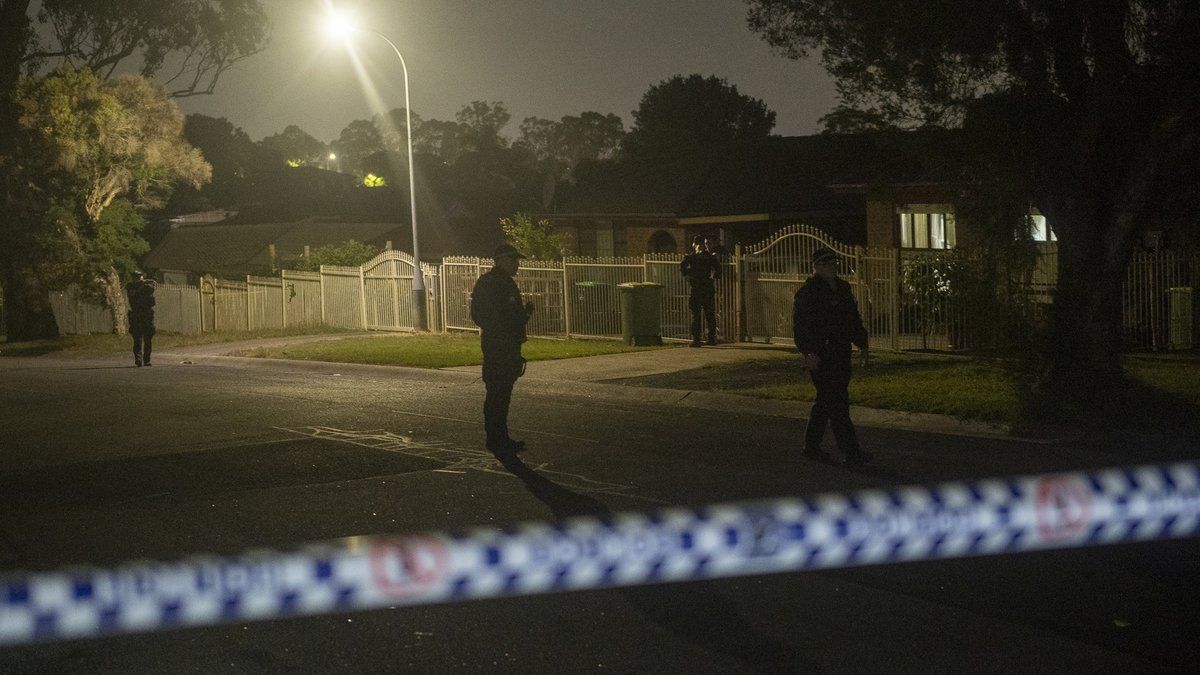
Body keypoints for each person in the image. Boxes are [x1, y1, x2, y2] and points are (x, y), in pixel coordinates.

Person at [792, 247, 872, 465]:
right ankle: (851, 451)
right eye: (826, 264)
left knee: (827, 402)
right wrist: (809, 353)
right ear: (816, 267)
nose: (832, 267)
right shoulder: (808, 293)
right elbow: (801, 328)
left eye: (834, 263)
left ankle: (811, 447)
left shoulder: (843, 289)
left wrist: (862, 343)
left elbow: (852, 319)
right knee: (836, 402)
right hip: (821, 354)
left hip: (840, 352)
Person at [471, 243, 535, 454]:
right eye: (513, 260)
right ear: (500, 260)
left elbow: (512, 318)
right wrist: (503, 332)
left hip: (508, 346)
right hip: (498, 347)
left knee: (503, 393)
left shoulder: (505, 283)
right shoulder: (490, 284)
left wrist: (523, 315)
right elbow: (482, 315)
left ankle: (500, 437)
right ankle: (496, 439)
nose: (517, 264)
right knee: (497, 393)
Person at [680, 234, 721, 347]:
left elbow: (682, 268)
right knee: (710, 314)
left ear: (694, 244)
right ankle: (711, 338)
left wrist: (690, 273)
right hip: (707, 287)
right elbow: (718, 269)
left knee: (696, 315)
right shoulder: (709, 256)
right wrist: (713, 277)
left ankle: (696, 339)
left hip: (696, 288)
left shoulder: (691, 256)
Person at [126, 270, 157, 367]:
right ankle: (138, 359)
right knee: (137, 338)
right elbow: (133, 293)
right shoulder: (131, 286)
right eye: (136, 277)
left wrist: (144, 283)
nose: (138, 278)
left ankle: (146, 360)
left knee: (148, 338)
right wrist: (142, 284)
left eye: (139, 277)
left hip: (147, 314)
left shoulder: (147, 286)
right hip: (137, 314)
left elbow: (152, 288)